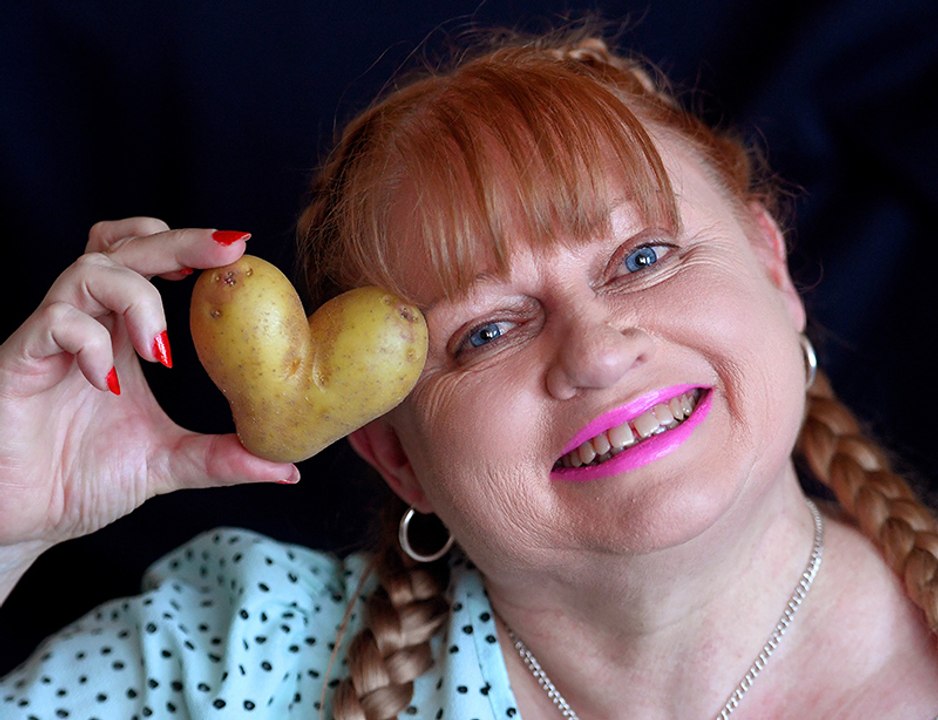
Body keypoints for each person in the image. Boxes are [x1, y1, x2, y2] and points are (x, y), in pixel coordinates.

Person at [2, 27, 938, 720]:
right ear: (395, 459)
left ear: (774, 274)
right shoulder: (233, 659)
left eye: (644, 257)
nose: (597, 353)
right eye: (486, 333)